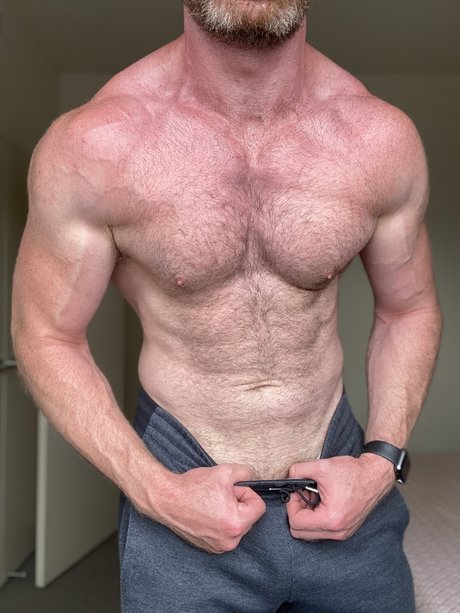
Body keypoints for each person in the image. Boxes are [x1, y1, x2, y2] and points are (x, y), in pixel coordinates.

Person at [12, 1, 442, 611]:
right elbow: (46, 336)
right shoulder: (94, 146)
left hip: (344, 484)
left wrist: (380, 463)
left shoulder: (379, 140)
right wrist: (155, 491)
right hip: (180, 486)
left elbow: (409, 311)